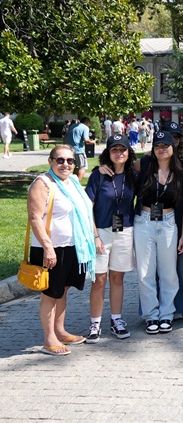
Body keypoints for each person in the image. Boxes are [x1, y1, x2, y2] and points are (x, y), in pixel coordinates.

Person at [28, 145, 101, 355]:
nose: (65, 164)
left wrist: (94, 237)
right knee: (50, 293)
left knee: (63, 289)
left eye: (70, 160)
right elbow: (35, 219)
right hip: (50, 248)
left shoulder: (74, 182)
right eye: (60, 160)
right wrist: (48, 248)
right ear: (50, 161)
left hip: (72, 246)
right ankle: (49, 338)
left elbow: (86, 211)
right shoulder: (42, 184)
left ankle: (59, 330)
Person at [84, 134, 138, 342]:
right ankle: (95, 323)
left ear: (128, 152)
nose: (119, 153)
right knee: (99, 279)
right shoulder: (98, 175)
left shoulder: (133, 174)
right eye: (114, 150)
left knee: (117, 278)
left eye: (122, 149)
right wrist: (95, 235)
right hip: (102, 232)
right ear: (108, 153)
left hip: (124, 231)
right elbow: (88, 206)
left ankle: (116, 320)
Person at [134, 130, 183, 334]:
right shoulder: (145, 165)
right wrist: (102, 167)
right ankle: (151, 315)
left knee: (168, 273)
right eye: (157, 146)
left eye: (165, 145)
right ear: (153, 149)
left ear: (173, 148)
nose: (162, 149)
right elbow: (120, 166)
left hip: (169, 222)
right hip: (144, 222)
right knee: (145, 271)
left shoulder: (182, 169)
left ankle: (166, 313)